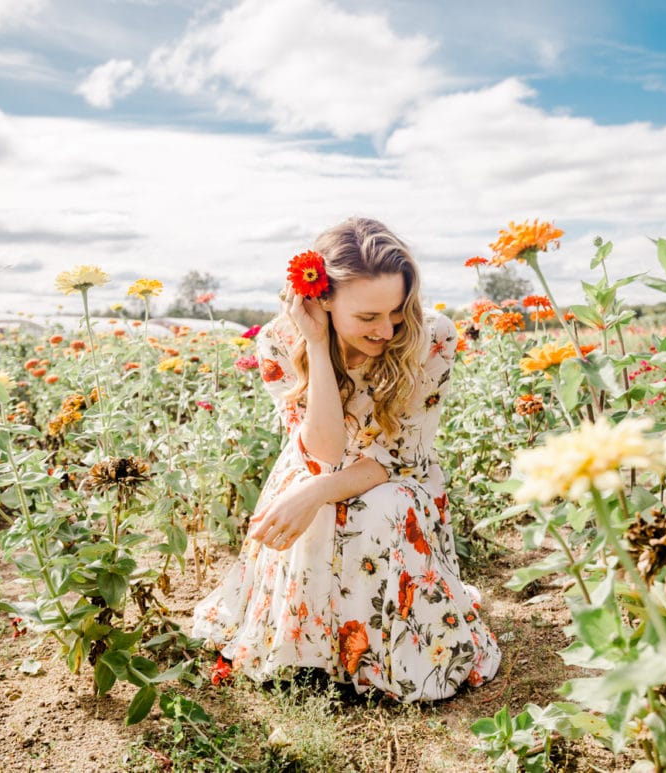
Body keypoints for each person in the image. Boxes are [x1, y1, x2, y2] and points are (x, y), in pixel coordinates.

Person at [191, 217, 500, 701]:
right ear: (323, 300)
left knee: (382, 508)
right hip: (318, 462)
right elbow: (323, 453)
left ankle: (386, 660)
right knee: (310, 512)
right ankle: (311, 658)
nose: (386, 329)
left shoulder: (432, 337)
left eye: (395, 311)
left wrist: (315, 492)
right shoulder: (280, 340)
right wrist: (316, 343)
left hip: (398, 474)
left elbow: (399, 459)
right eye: (367, 317)